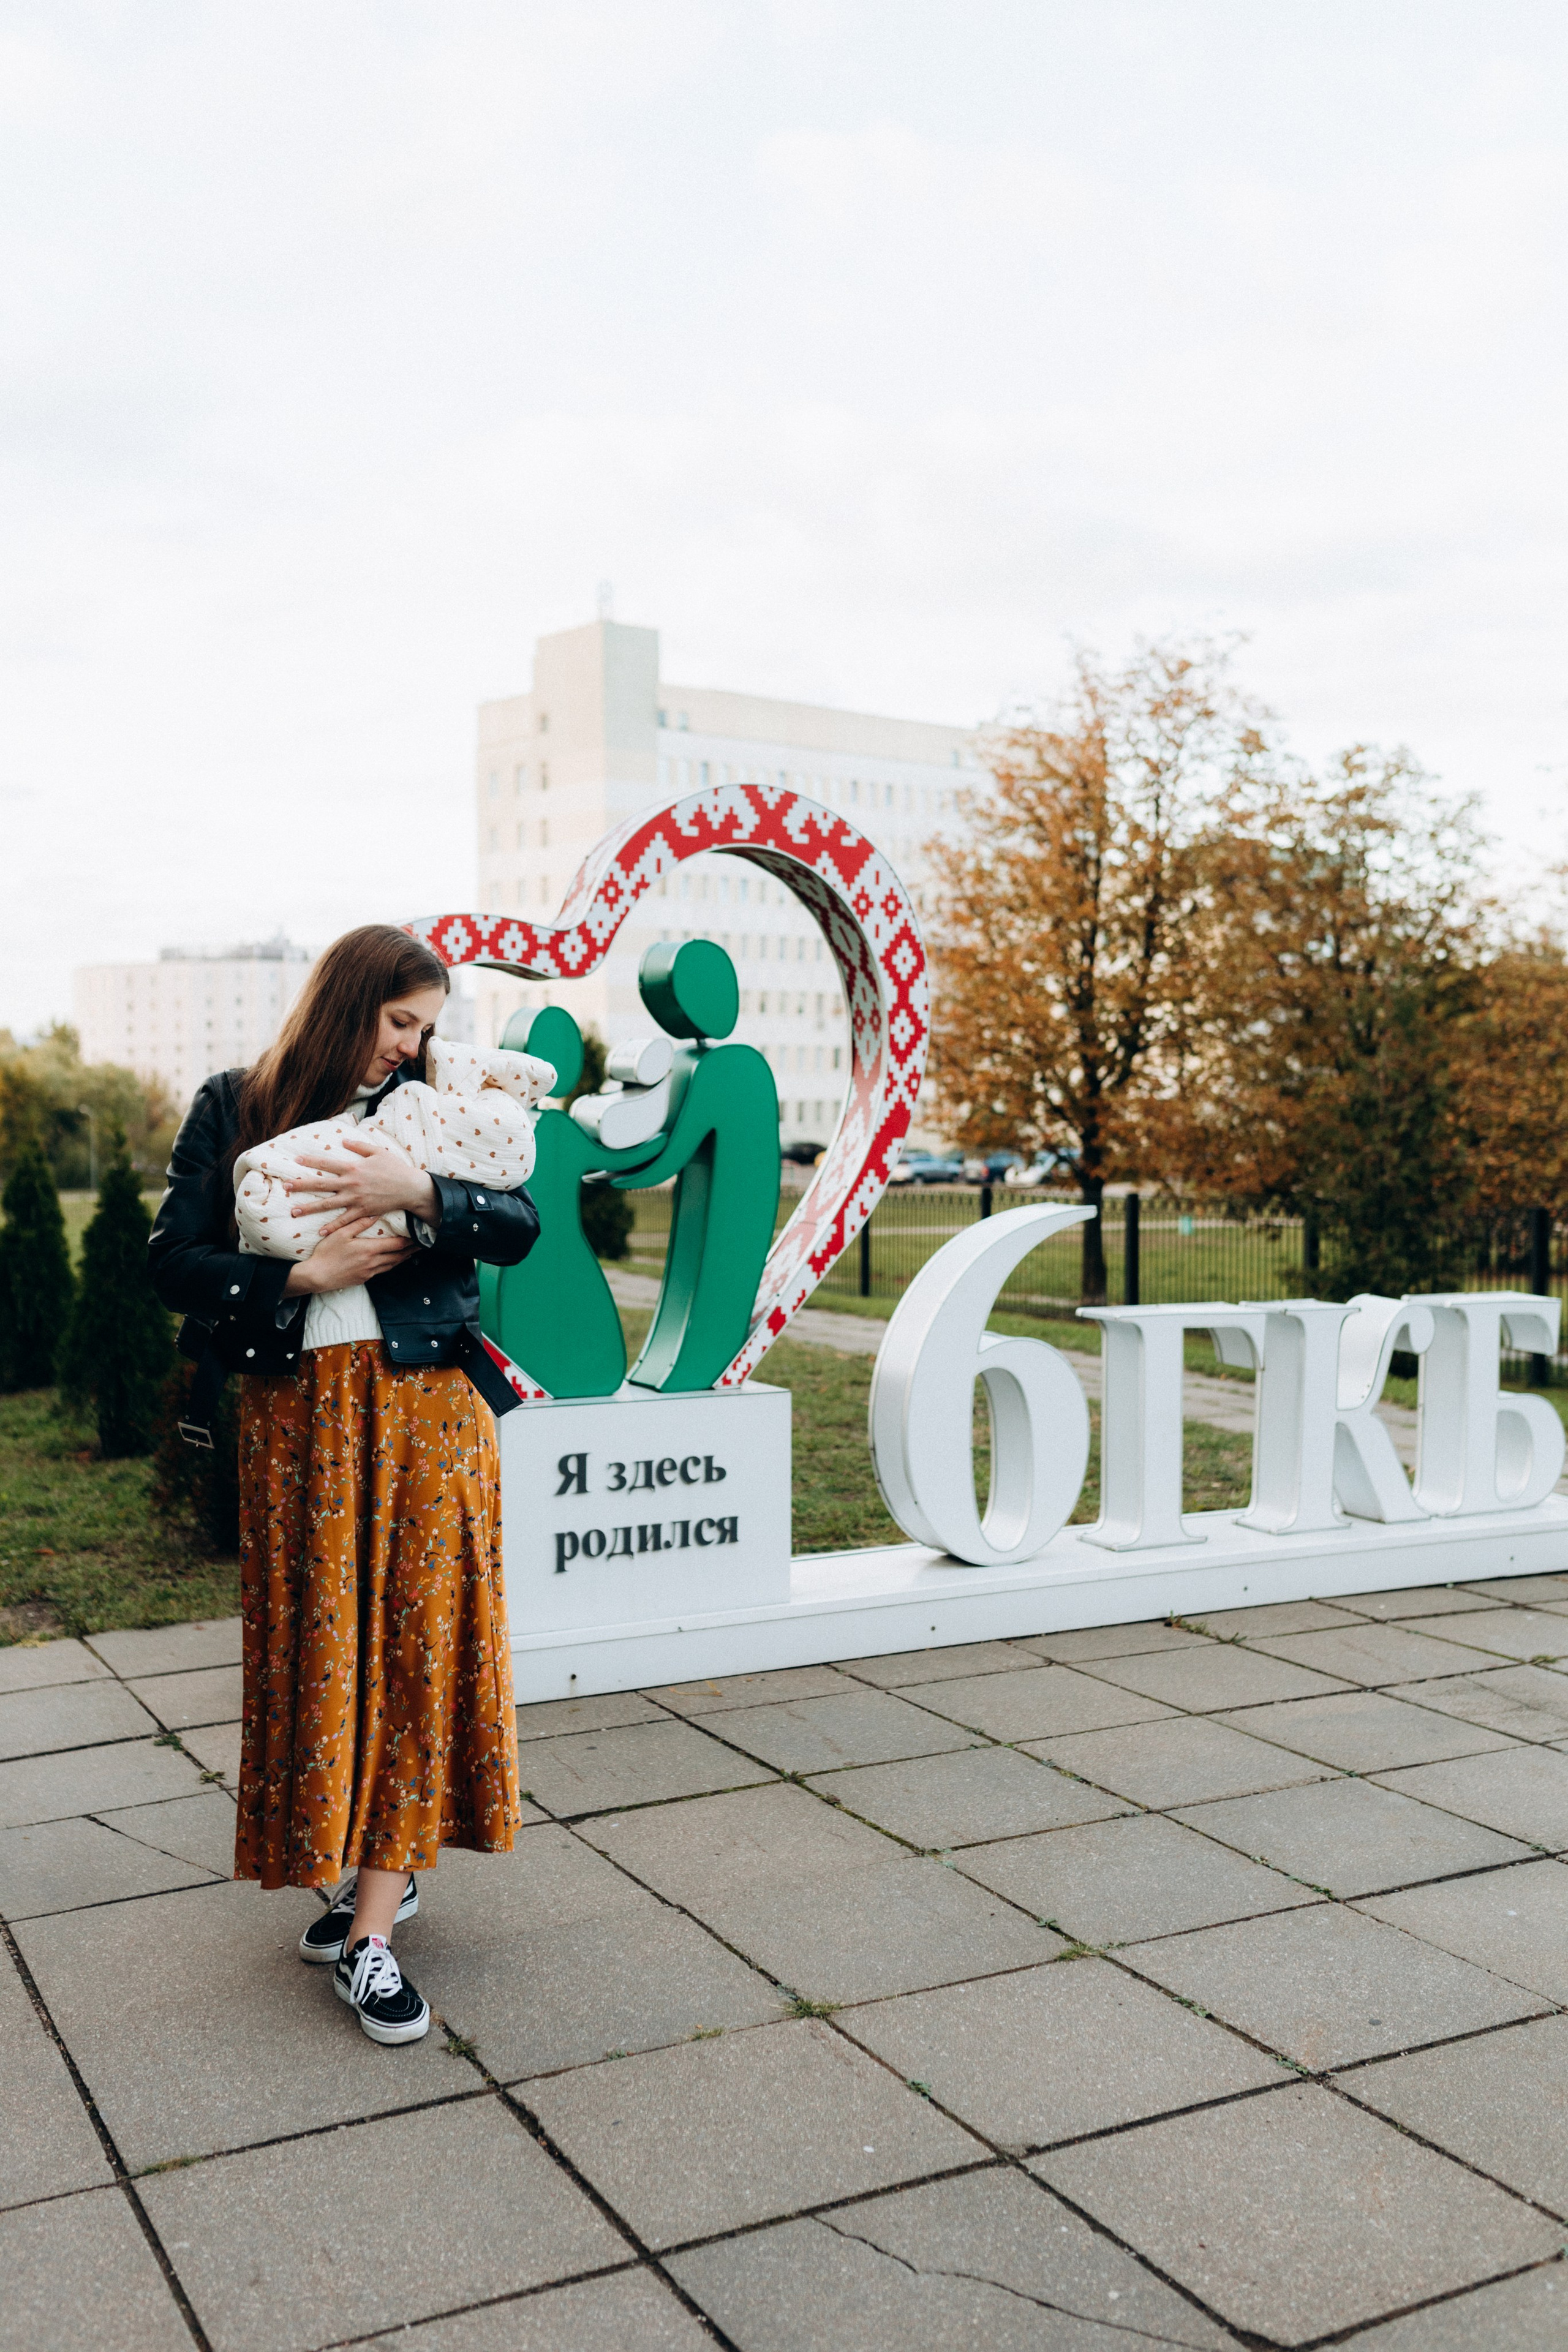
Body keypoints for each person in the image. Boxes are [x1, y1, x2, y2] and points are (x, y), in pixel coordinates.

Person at [148, 925, 540, 2045]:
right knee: (324, 1647)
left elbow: (518, 1219)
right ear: (348, 1003)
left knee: (419, 1651)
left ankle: (371, 1932)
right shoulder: (236, 1103)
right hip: (299, 1421)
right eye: (400, 1022)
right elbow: (170, 1257)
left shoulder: (436, 1103)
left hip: (427, 1413)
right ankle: (368, 1860)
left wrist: (421, 1188)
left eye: (429, 1027)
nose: (415, 1047)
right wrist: (295, 1275)